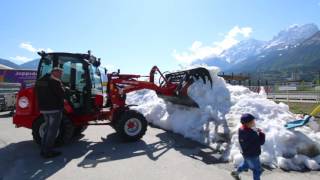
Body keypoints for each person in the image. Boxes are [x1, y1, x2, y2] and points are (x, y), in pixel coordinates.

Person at [35, 67, 65, 158]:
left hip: (44, 109)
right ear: (55, 73)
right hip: (54, 109)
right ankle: (48, 152)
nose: (61, 76)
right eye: (60, 74)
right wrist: (64, 88)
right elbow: (61, 94)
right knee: (52, 131)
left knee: (47, 129)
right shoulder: (55, 82)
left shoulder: (41, 80)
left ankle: (43, 150)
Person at [231, 113, 265, 180]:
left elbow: (248, 133)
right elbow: (261, 142)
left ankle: (236, 172)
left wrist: (253, 130)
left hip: (246, 153)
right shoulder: (252, 134)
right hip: (253, 154)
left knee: (246, 164)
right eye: (252, 122)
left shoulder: (241, 130)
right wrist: (261, 134)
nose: (254, 123)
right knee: (257, 170)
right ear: (247, 124)